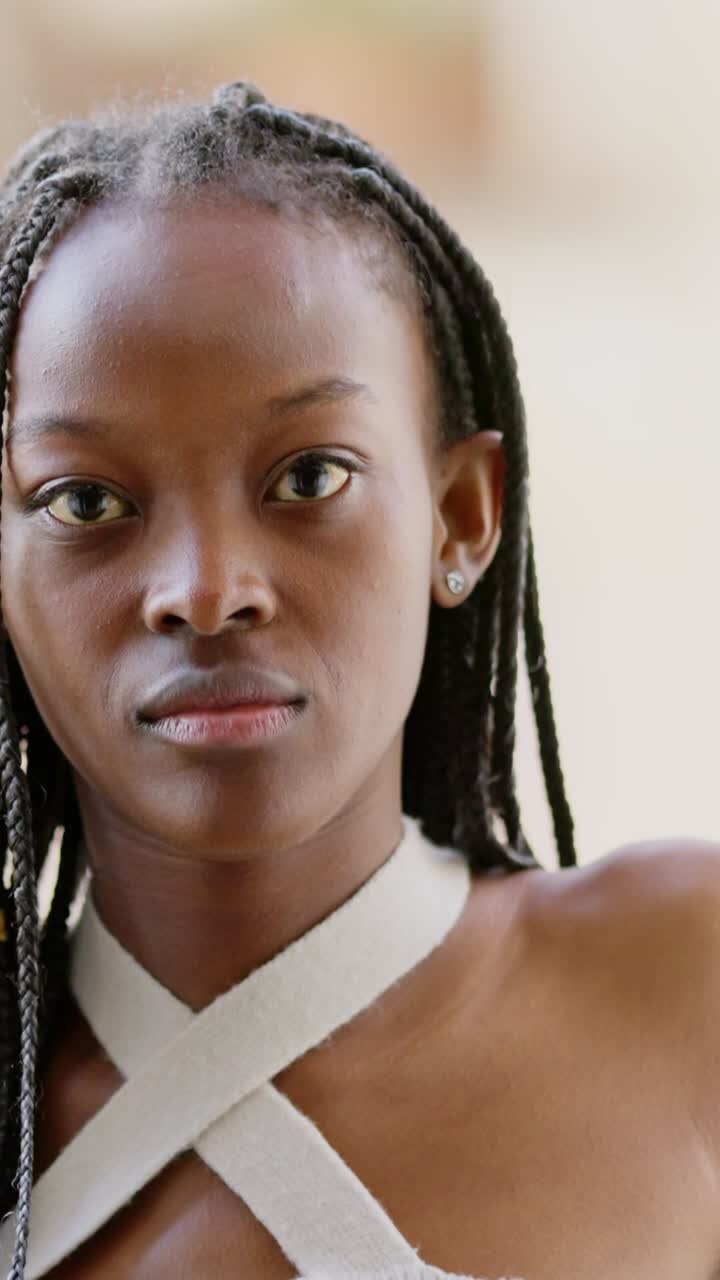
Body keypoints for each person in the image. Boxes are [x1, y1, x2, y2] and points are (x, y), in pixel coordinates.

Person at [0, 80, 717, 1280]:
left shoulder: (685, 986)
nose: (208, 590)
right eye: (87, 501)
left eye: (308, 478)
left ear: (460, 514)